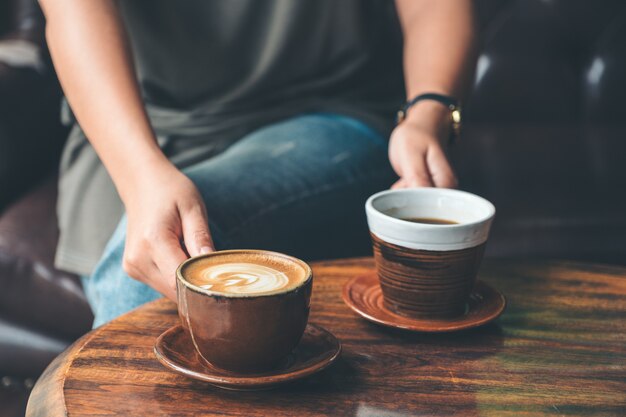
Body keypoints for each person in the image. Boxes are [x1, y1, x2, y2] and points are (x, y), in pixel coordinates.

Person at [39, 0, 475, 327]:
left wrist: (427, 112)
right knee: (150, 256)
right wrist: (139, 175)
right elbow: (73, 13)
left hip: (327, 114)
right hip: (138, 124)